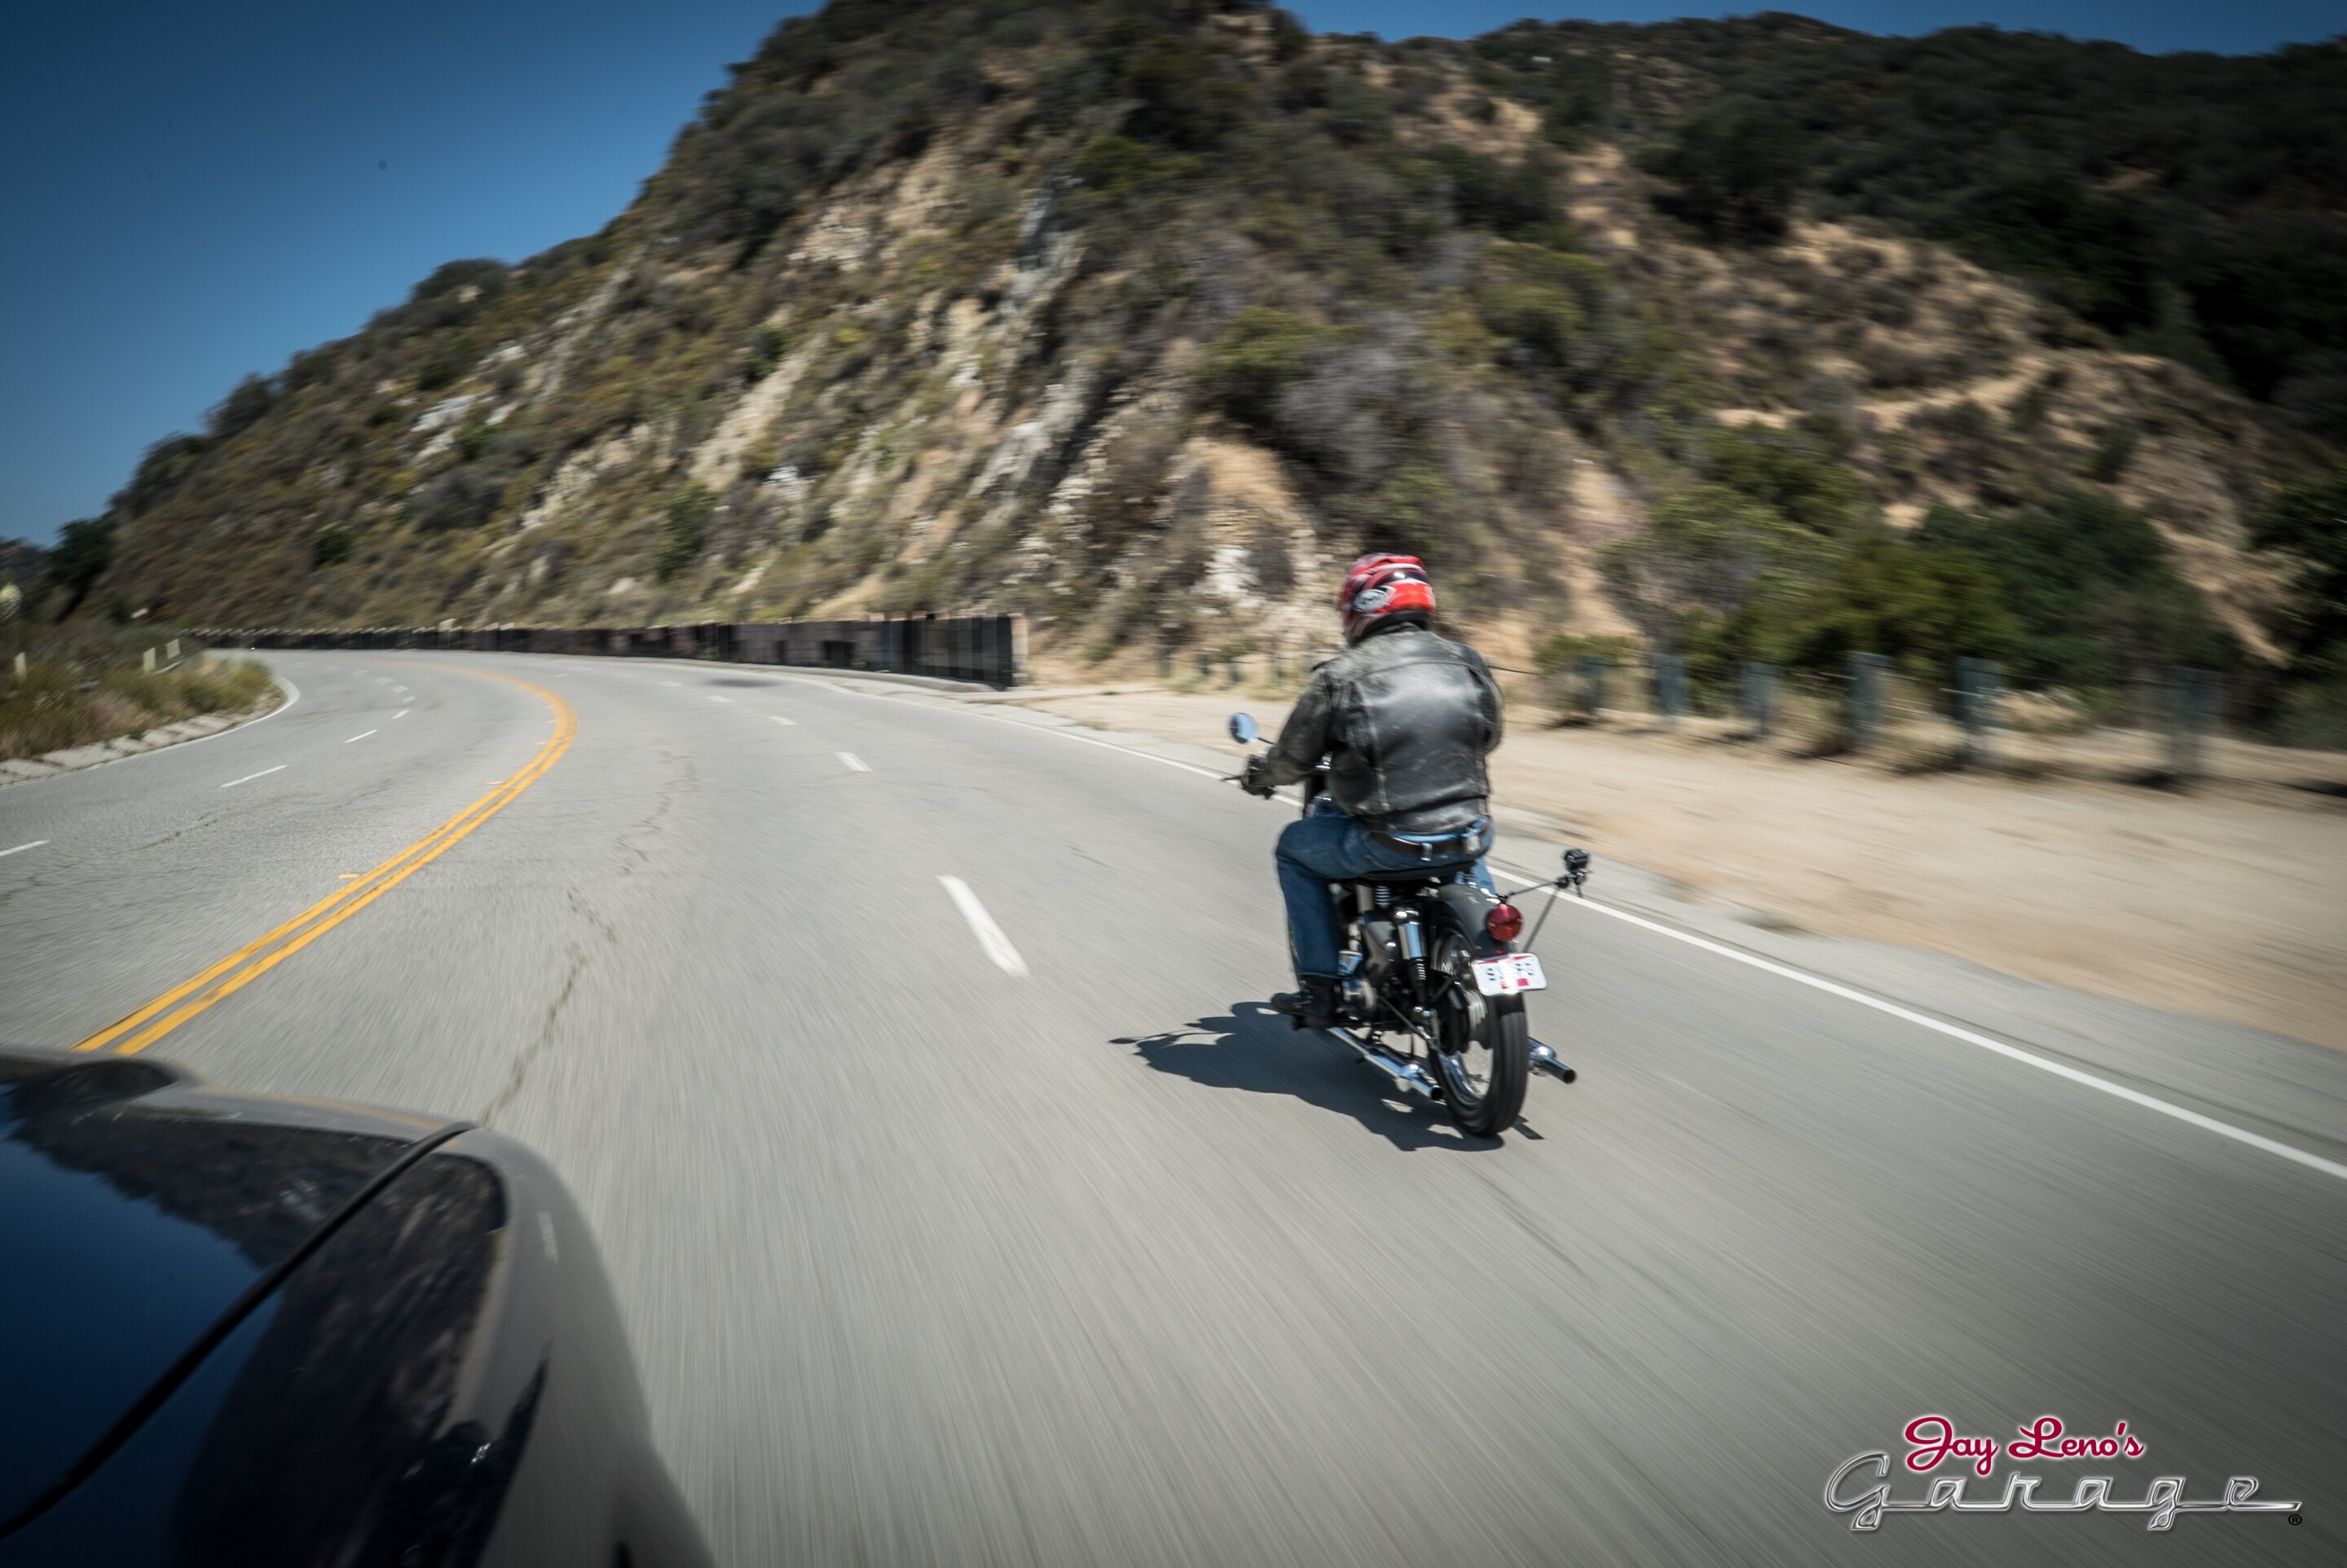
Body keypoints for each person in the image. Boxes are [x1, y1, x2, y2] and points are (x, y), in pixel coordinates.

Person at [1242, 553, 1504, 1029]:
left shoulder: (1339, 676)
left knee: (1294, 849)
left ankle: (1319, 989)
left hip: (1390, 841)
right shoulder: (1468, 661)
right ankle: (1487, 961)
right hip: (1471, 833)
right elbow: (1490, 736)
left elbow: (1293, 759)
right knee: (1463, 837)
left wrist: (1260, 775)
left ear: (1363, 607)